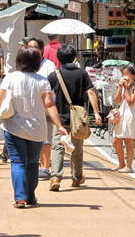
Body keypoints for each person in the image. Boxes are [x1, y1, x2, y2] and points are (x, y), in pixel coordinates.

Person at [0, 47, 68, 208]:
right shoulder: (42, 81)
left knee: (18, 163)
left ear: (19, 61)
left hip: (13, 127)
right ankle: (31, 196)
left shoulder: (10, 78)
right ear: (37, 62)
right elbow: (50, 105)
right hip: (37, 129)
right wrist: (59, 125)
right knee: (33, 164)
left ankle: (20, 198)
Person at [47, 44, 102, 191]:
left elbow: (45, 95)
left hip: (60, 118)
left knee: (58, 146)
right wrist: (96, 113)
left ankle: (55, 178)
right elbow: (91, 93)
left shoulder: (54, 75)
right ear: (75, 57)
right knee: (77, 147)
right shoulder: (82, 74)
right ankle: (77, 178)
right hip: (79, 118)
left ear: (59, 58)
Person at [27, 37, 57, 181]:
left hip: (45, 107)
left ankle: (45, 167)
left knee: (45, 138)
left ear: (41, 50)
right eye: (29, 47)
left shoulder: (49, 66)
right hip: (30, 108)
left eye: (35, 47)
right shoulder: (26, 65)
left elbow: (52, 87)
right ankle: (39, 165)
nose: (32, 50)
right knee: (35, 138)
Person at [112, 63, 135, 173]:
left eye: (127, 74)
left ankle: (129, 166)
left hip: (131, 117)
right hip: (122, 115)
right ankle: (121, 164)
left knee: (128, 142)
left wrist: (125, 88)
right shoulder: (123, 87)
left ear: (134, 76)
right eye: (123, 74)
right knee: (116, 141)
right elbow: (117, 101)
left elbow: (130, 101)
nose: (124, 77)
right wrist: (120, 88)